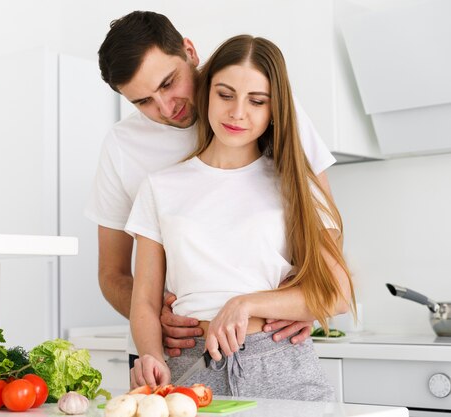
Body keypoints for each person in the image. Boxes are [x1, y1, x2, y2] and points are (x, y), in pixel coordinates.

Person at [86, 11, 336, 366]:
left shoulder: (265, 108)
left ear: (190, 51)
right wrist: (156, 321)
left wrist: (302, 303)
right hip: (168, 352)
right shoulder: (123, 147)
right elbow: (112, 273)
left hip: (267, 345)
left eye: (169, 83)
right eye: (142, 102)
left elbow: (326, 231)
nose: (165, 108)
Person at [126, 34, 355, 401]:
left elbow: (338, 293)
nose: (237, 113)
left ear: (274, 109)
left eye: (257, 101)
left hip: (281, 364)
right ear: (206, 92)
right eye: (225, 94)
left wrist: (245, 304)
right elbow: (145, 302)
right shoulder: (159, 187)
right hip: (189, 367)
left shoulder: (296, 184)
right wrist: (151, 355)